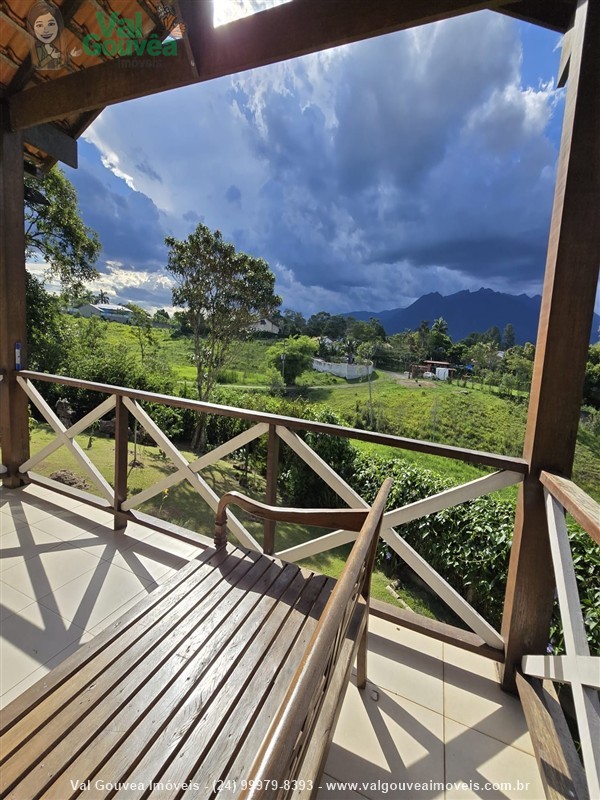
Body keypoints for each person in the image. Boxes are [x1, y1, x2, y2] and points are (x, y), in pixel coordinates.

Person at [27, 1, 64, 70]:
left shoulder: (52, 46)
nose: (46, 30)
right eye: (40, 25)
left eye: (50, 24)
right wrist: (51, 56)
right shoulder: (39, 48)